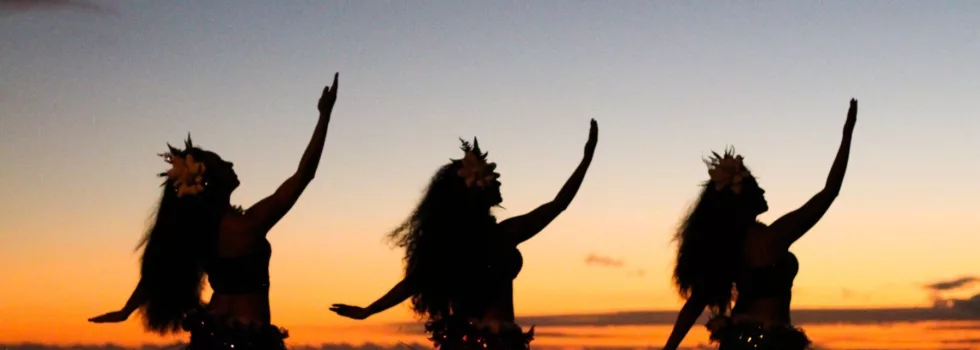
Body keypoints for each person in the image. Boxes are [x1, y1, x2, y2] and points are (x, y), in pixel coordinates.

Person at [87, 73, 340, 350]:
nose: (231, 163)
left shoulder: (196, 232)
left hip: (209, 334)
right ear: (210, 182)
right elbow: (304, 175)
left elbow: (159, 270)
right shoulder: (247, 225)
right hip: (250, 340)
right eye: (223, 164)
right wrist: (324, 116)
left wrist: (126, 310)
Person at [330, 119, 599, 349]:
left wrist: (369, 311)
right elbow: (557, 205)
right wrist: (586, 160)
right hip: (490, 344)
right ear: (476, 191)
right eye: (492, 177)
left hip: (473, 341)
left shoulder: (462, 244)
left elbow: (413, 283)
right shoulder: (500, 236)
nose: (498, 178)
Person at [662, 99, 858, 350]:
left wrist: (668, 348)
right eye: (756, 186)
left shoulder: (728, 244)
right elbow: (829, 193)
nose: (763, 190)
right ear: (743, 198)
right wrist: (847, 135)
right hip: (767, 344)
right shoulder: (773, 236)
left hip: (742, 340)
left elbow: (695, 304)